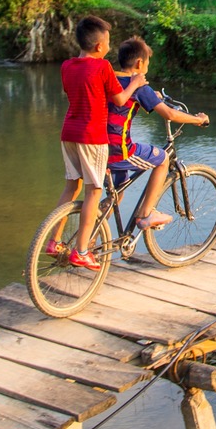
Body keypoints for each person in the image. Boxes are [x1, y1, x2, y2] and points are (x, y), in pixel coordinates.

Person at [57, 16, 144, 269]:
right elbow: (119, 99)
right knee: (94, 191)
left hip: (68, 133)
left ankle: (54, 241)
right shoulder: (103, 67)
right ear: (99, 47)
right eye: (107, 42)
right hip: (92, 136)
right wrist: (136, 82)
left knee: (71, 186)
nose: (108, 47)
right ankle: (82, 250)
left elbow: (75, 92)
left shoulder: (67, 66)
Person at [108, 37, 209, 229]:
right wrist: (198, 119)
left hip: (98, 146)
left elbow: (126, 97)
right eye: (147, 63)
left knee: (116, 195)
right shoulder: (138, 85)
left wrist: (152, 95)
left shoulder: (111, 78)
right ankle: (146, 214)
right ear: (140, 63)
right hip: (119, 150)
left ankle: (91, 241)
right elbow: (170, 114)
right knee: (162, 159)